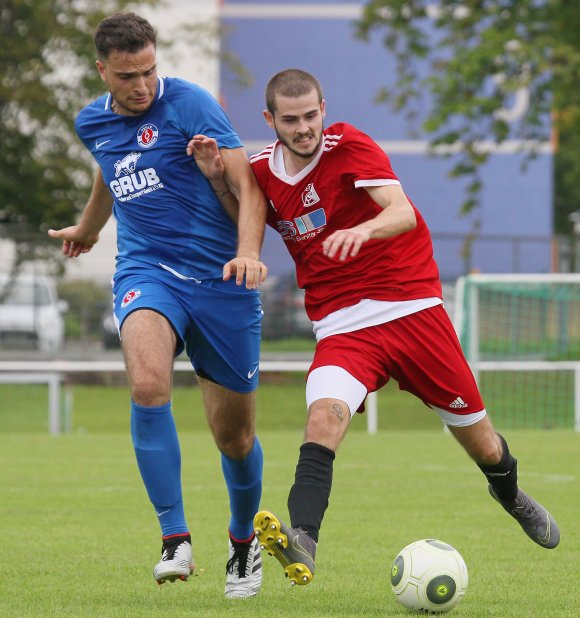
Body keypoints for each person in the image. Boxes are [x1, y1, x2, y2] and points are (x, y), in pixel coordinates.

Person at [188, 68, 560, 587]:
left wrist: (361, 230)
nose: (304, 128)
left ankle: (510, 494)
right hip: (342, 326)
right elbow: (246, 215)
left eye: (311, 115)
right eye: (291, 120)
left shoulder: (349, 145)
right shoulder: (262, 172)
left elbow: (401, 213)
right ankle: (303, 540)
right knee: (323, 420)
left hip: (411, 311)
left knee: (482, 445)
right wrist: (214, 178)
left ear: (324, 107)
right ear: (270, 120)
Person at [48, 12, 268, 599]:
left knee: (235, 439)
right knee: (148, 385)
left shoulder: (192, 104)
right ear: (102, 71)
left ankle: (243, 543)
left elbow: (250, 189)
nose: (141, 85)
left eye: (148, 70)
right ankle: (175, 537)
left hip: (222, 282)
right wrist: (91, 227)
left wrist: (248, 252)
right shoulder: (90, 120)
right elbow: (110, 170)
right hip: (147, 271)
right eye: (126, 76)